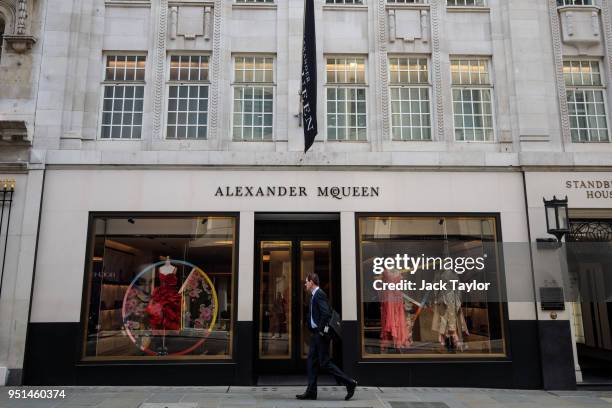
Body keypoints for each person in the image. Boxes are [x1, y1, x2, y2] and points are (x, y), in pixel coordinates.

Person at [296, 272, 358, 401]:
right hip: (315, 334)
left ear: (312, 282)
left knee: (324, 363)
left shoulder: (319, 294)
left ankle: (349, 382)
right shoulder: (314, 295)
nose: (305, 284)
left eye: (306, 282)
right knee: (311, 363)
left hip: (320, 335)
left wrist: (320, 331)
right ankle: (311, 392)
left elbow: (326, 314)